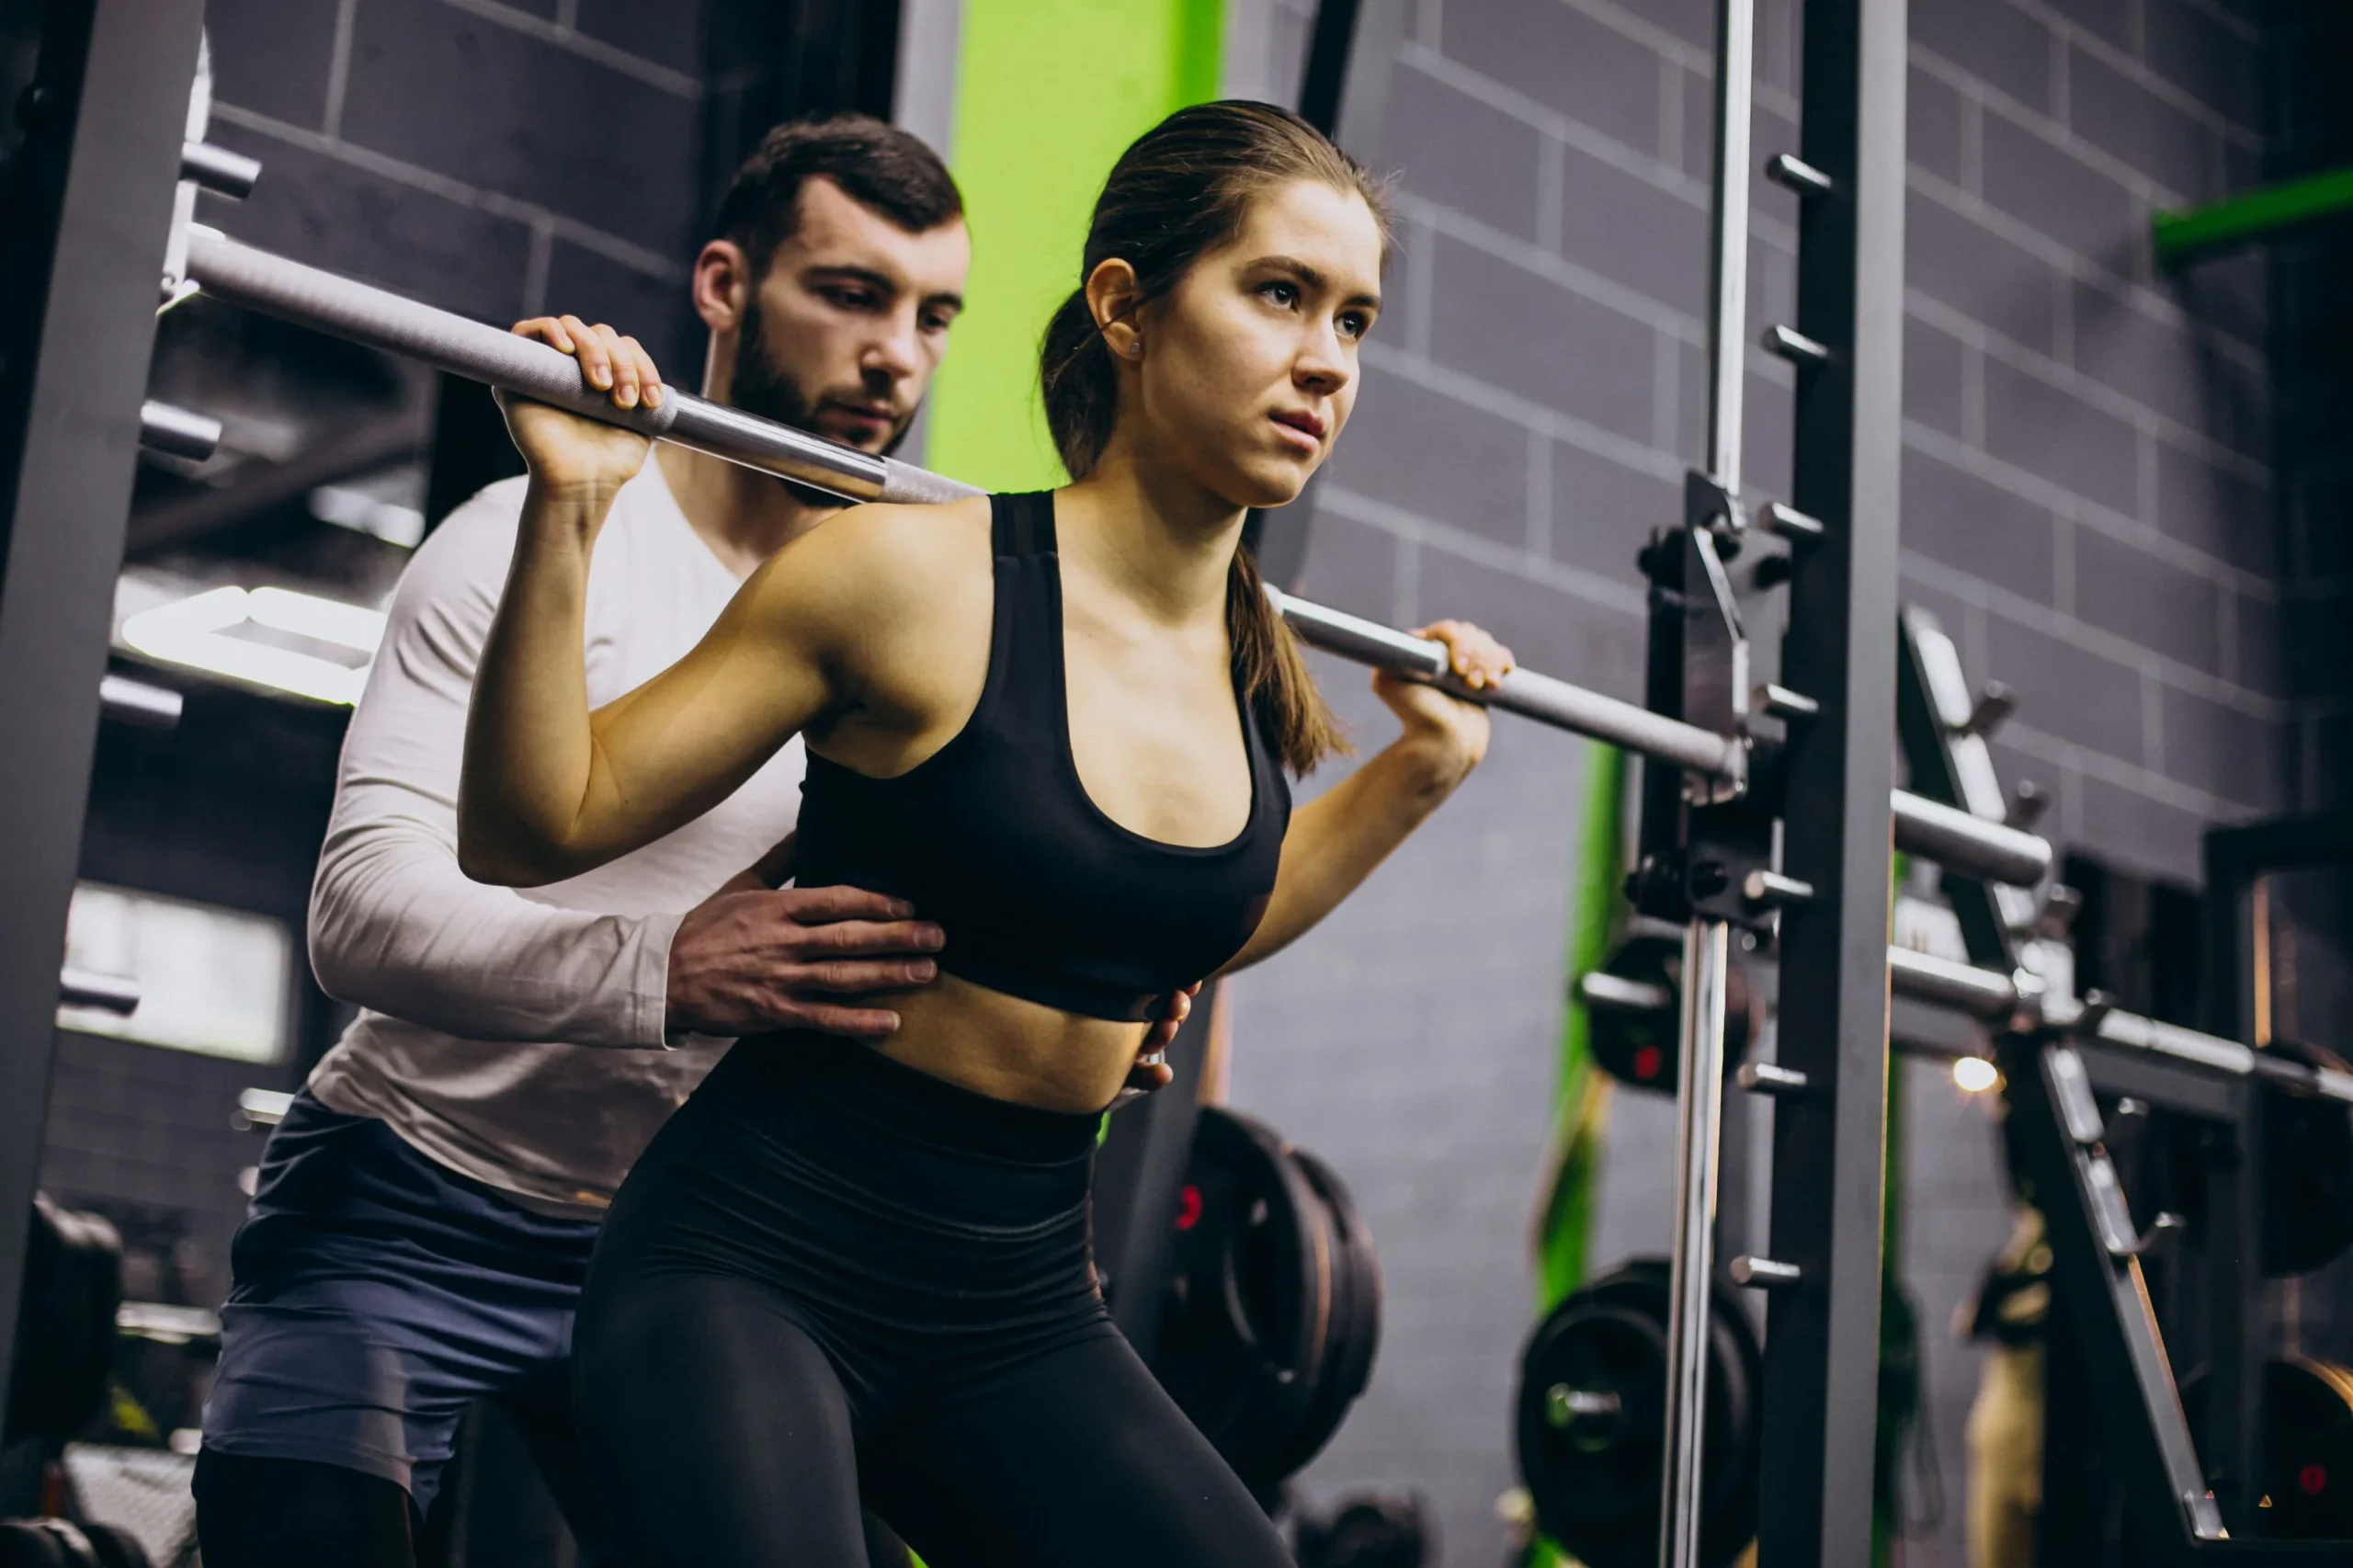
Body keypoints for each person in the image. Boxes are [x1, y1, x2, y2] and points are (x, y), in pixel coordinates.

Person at [459, 101, 1513, 1567]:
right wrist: (568, 509)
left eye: (1355, 319)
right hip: (753, 1265)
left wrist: (1419, 769)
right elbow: (533, 824)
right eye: (1279, 294)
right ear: (1126, 309)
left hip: (1016, 1297)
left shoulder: (1246, 654)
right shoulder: (905, 576)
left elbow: (1196, 917)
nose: (1326, 359)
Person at [193, 115, 1188, 1568]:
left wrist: (1069, 996)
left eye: (932, 315)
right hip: (413, 1203)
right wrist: (667, 966)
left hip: (723, 1255)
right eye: (849, 294)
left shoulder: (928, 617)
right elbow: (358, 915)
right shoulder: (523, 540)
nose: (896, 355)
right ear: (724, 287)